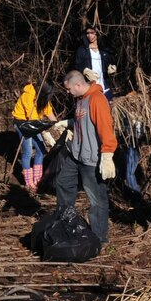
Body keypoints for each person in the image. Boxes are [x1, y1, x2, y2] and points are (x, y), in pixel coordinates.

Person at [52, 70, 117, 243]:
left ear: (78, 85)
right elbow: (83, 121)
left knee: (97, 200)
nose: (67, 92)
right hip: (77, 155)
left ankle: (98, 238)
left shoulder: (97, 100)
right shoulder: (81, 100)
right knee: (63, 182)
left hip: (92, 159)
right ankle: (67, 222)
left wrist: (107, 154)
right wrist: (67, 123)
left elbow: (105, 127)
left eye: (68, 89)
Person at [11, 81, 57, 192]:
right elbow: (32, 117)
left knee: (41, 149)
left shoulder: (43, 96)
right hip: (22, 123)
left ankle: (37, 180)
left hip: (33, 123)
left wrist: (57, 124)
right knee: (27, 151)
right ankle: (29, 183)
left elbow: (48, 110)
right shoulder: (28, 95)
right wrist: (45, 133)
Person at [73, 25, 116, 100]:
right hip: (90, 88)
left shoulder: (104, 49)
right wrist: (84, 70)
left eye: (92, 33)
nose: (89, 35)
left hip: (104, 87)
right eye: (87, 33)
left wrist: (112, 68)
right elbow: (76, 66)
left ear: (97, 33)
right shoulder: (82, 50)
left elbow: (112, 61)